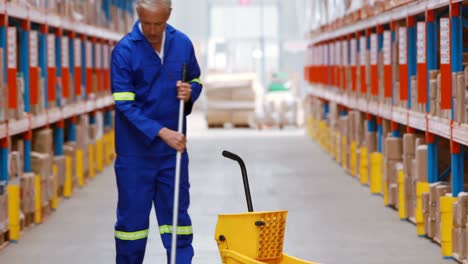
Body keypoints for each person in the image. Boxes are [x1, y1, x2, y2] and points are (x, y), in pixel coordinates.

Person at [110, 0, 202, 263]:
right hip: (135, 156)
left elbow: (195, 78)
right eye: (147, 23)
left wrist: (191, 91)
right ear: (138, 15)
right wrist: (162, 132)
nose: (152, 31)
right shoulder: (124, 51)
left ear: (169, 15)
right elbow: (125, 104)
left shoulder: (182, 43)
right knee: (132, 229)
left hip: (172, 156)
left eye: (158, 24)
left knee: (177, 225)